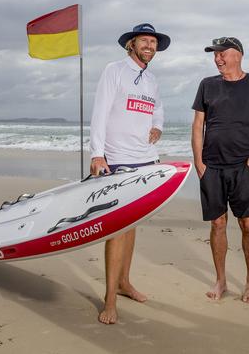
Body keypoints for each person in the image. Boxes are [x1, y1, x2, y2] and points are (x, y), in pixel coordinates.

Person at [89, 23, 170, 324]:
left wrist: (158, 125)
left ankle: (124, 283)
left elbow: (157, 108)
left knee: (133, 223)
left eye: (153, 42)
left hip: (145, 159)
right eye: (144, 41)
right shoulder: (115, 70)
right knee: (117, 228)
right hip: (118, 158)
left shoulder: (151, 80)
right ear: (132, 44)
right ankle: (109, 300)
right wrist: (97, 153)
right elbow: (99, 112)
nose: (150, 46)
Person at [191, 37, 249, 303]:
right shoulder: (207, 85)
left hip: (244, 165)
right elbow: (198, 126)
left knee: (247, 224)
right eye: (214, 55)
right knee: (218, 224)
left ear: (237, 54)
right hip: (212, 165)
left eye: (221, 53)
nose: (217, 58)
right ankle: (221, 281)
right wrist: (199, 162)